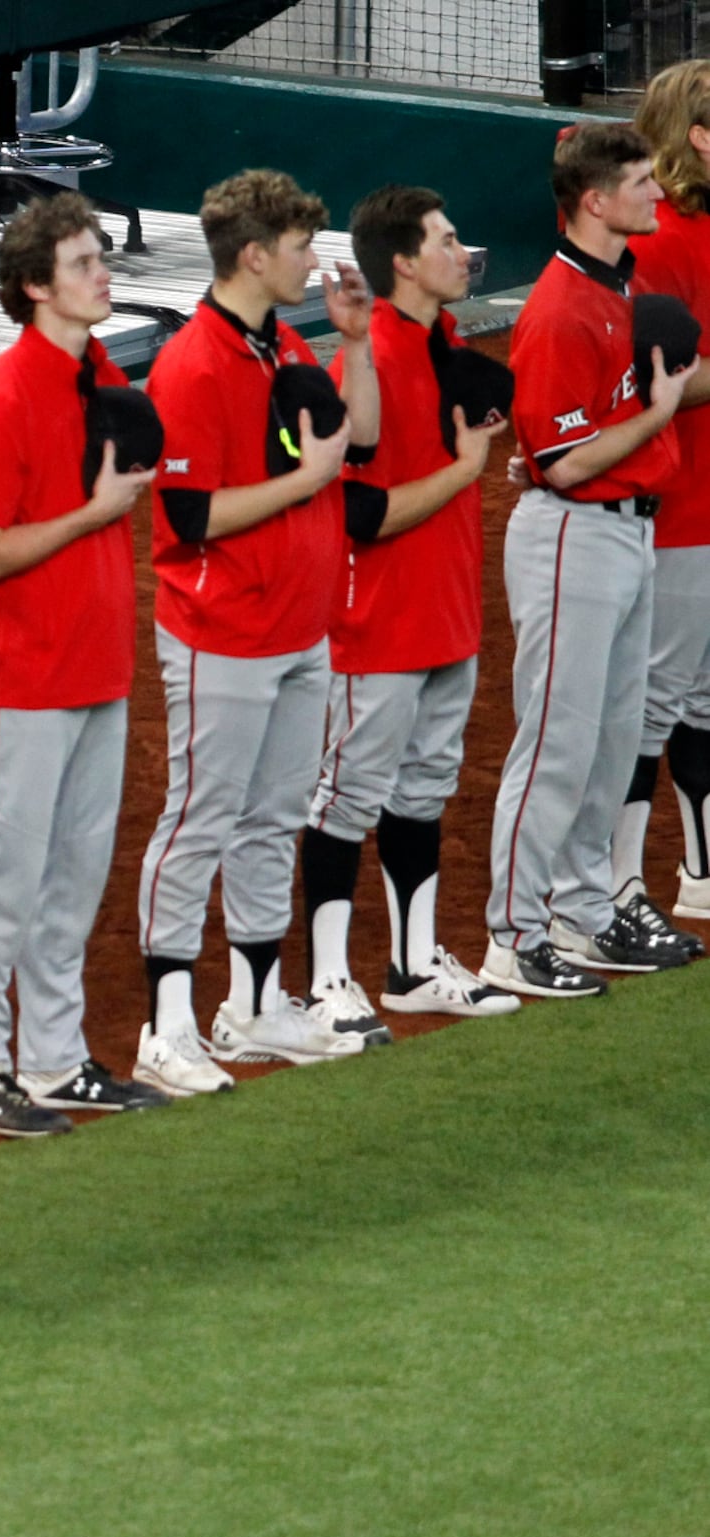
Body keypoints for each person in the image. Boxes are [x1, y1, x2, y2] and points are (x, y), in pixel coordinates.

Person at [134, 169, 381, 1083]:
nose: (311, 262)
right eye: (298, 248)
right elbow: (189, 516)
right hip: (219, 630)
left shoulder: (285, 349)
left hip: (297, 629)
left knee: (272, 820)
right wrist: (304, 485)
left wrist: (354, 342)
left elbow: (357, 440)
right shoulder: (191, 364)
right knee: (198, 820)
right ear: (252, 255)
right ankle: (164, 1029)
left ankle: (251, 1007)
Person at [0, 192, 167, 1137]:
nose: (102, 274)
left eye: (99, 258)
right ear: (34, 286)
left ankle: (54, 1059)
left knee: (74, 882)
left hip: (97, 673)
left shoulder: (104, 378)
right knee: (1, 883)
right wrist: (93, 511)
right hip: (19, 679)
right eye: (81, 264)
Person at [486, 122, 702, 994]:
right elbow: (563, 461)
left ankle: (581, 910)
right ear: (593, 201)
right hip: (573, 532)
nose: (657, 192)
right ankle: (513, 933)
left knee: (611, 743)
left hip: (627, 532)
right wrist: (659, 412)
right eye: (642, 181)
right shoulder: (560, 308)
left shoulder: (617, 288)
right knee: (553, 744)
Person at [294, 188, 517, 1020]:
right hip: (375, 623)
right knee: (345, 798)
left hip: (447, 614)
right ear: (404, 262)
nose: (463, 253)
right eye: (447, 240)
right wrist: (466, 467)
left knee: (422, 793)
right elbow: (361, 514)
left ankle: (414, 966)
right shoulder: (370, 361)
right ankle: (323, 982)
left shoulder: (445, 345)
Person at [631, 62, 710, 925]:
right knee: (656, 702)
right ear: (699, 136)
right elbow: (654, 383)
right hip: (681, 503)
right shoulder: (655, 243)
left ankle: (702, 872)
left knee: (706, 699)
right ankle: (612, 888)